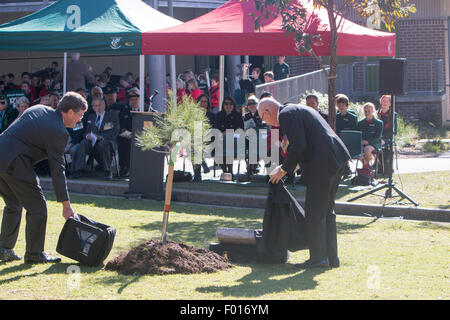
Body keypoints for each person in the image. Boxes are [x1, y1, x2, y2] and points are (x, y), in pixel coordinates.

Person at [258, 97, 350, 269]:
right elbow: (305, 143)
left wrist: (284, 169)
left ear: (268, 111)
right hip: (335, 159)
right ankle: (331, 258)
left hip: (323, 163)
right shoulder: (294, 110)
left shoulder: (286, 115)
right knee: (327, 211)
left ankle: (318, 259)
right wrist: (289, 165)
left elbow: (299, 145)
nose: (267, 123)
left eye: (264, 118)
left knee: (315, 212)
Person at [0, 91, 87, 263]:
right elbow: (58, 170)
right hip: (15, 162)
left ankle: (4, 250)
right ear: (70, 112)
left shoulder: (38, 108)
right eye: (80, 115)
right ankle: (35, 254)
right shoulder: (59, 132)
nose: (80, 120)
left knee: (14, 204)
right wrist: (66, 205)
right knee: (38, 207)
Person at [77, 98, 119, 180]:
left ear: (104, 105)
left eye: (100, 105)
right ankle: (79, 170)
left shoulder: (112, 116)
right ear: (93, 107)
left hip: (106, 142)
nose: (98, 108)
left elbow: (114, 132)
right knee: (83, 142)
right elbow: (86, 132)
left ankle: (107, 171)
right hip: (92, 142)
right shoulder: (91, 117)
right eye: (95, 106)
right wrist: (87, 136)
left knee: (102, 144)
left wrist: (101, 137)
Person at [215, 97, 244, 175]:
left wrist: (228, 133)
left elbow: (240, 129)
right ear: (223, 105)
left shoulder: (237, 116)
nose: (228, 106)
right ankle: (225, 172)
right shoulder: (218, 115)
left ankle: (230, 171)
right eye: (226, 104)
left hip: (234, 141)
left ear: (233, 105)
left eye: (231, 104)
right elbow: (215, 128)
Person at [117, 87, 140, 178]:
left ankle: (134, 168)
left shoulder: (146, 109)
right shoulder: (125, 110)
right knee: (122, 141)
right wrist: (129, 134)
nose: (134, 101)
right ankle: (124, 167)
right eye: (132, 99)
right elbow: (121, 125)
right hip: (127, 135)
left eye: (136, 99)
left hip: (141, 136)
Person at [192, 94, 215, 182]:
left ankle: (197, 175)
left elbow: (214, 130)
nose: (203, 103)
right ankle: (202, 165)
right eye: (201, 101)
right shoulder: (193, 115)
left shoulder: (212, 116)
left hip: (209, 140)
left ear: (208, 103)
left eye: (205, 102)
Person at [357, 102, 383, 169]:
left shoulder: (379, 123)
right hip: (362, 143)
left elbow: (377, 137)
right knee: (356, 150)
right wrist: (361, 141)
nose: (367, 113)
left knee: (367, 149)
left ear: (373, 111)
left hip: (375, 143)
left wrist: (367, 142)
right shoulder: (360, 123)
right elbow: (358, 135)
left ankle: (366, 169)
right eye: (365, 111)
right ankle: (367, 167)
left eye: (369, 111)